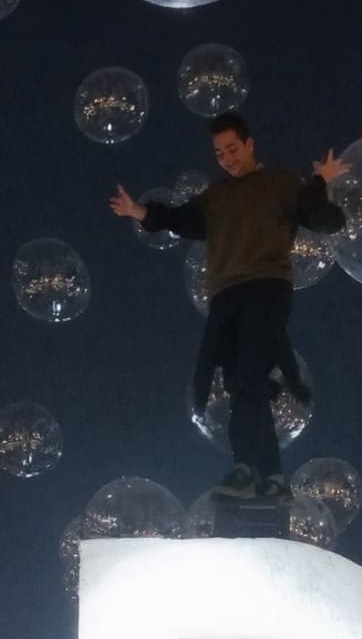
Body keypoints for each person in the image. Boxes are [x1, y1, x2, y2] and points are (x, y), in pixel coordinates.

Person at [108, 116, 347, 498]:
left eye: (233, 149)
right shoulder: (216, 197)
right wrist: (139, 211)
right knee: (240, 384)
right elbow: (180, 219)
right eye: (219, 154)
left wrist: (321, 181)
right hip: (225, 296)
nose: (227, 159)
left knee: (250, 373)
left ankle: (243, 471)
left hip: (267, 288)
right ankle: (270, 478)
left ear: (250, 144)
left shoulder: (282, 184)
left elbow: (324, 219)